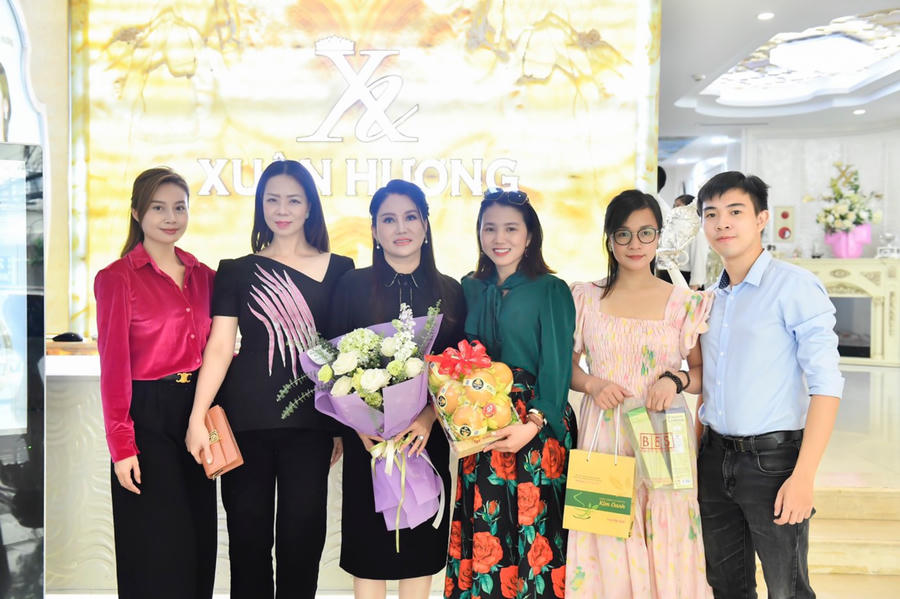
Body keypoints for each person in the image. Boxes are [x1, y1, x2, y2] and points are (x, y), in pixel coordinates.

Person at [185, 159, 353, 599]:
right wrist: (198, 416)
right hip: (245, 423)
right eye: (272, 200)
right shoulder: (236, 270)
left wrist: (341, 424)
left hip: (312, 424)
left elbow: (342, 351)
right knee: (248, 539)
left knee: (303, 537)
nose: (282, 209)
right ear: (260, 206)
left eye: (293, 200)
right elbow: (220, 347)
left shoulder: (342, 269)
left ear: (310, 207)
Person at [695, 171, 843, 599]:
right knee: (727, 587)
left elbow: (827, 385)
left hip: (772, 463)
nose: (722, 223)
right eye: (711, 214)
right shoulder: (711, 298)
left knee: (787, 589)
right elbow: (711, 382)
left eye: (735, 211)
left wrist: (804, 476)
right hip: (714, 458)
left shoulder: (793, 287)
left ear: (761, 218)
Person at [565, 189, 713, 597]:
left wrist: (675, 380)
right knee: (605, 532)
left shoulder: (684, 302)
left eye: (646, 233)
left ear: (658, 237)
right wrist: (592, 384)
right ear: (609, 239)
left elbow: (701, 373)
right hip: (605, 435)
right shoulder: (585, 297)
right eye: (624, 234)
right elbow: (568, 368)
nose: (635, 244)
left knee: (669, 530)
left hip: (663, 435)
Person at [330, 179, 465, 599]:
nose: (400, 228)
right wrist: (357, 426)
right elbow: (330, 363)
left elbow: (456, 373)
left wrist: (426, 419)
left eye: (410, 217)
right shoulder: (352, 285)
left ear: (425, 225)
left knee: (420, 546)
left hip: (424, 439)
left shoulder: (451, 291)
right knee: (368, 547)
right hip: (367, 442)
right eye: (388, 219)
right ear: (374, 230)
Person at [444, 188, 575, 599]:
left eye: (511, 228)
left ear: (530, 235)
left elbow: (557, 365)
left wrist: (533, 423)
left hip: (535, 421)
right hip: (481, 423)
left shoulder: (551, 289)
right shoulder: (468, 287)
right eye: (490, 228)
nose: (499, 238)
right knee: (486, 526)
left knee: (536, 533)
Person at [94, 167, 216, 599]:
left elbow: (219, 350)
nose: (171, 217)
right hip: (147, 416)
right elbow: (113, 368)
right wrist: (121, 446)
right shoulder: (117, 278)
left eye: (179, 207)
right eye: (158, 208)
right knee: (158, 549)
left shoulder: (206, 277)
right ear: (136, 213)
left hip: (197, 413)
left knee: (199, 542)